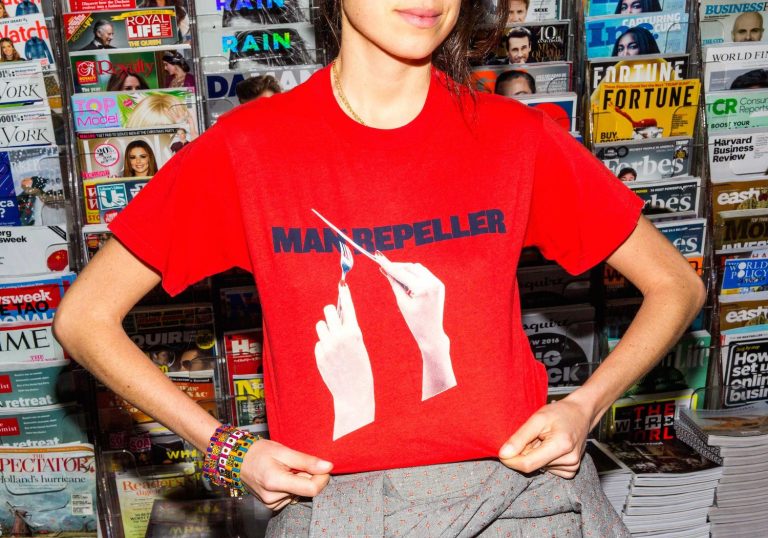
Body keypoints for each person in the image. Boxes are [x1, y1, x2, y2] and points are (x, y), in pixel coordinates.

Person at [54, 0, 705, 535]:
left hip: (518, 499)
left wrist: (585, 407)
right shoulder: (249, 147)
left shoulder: (515, 136)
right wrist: (227, 447)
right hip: (337, 511)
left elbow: (675, 284)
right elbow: (85, 318)